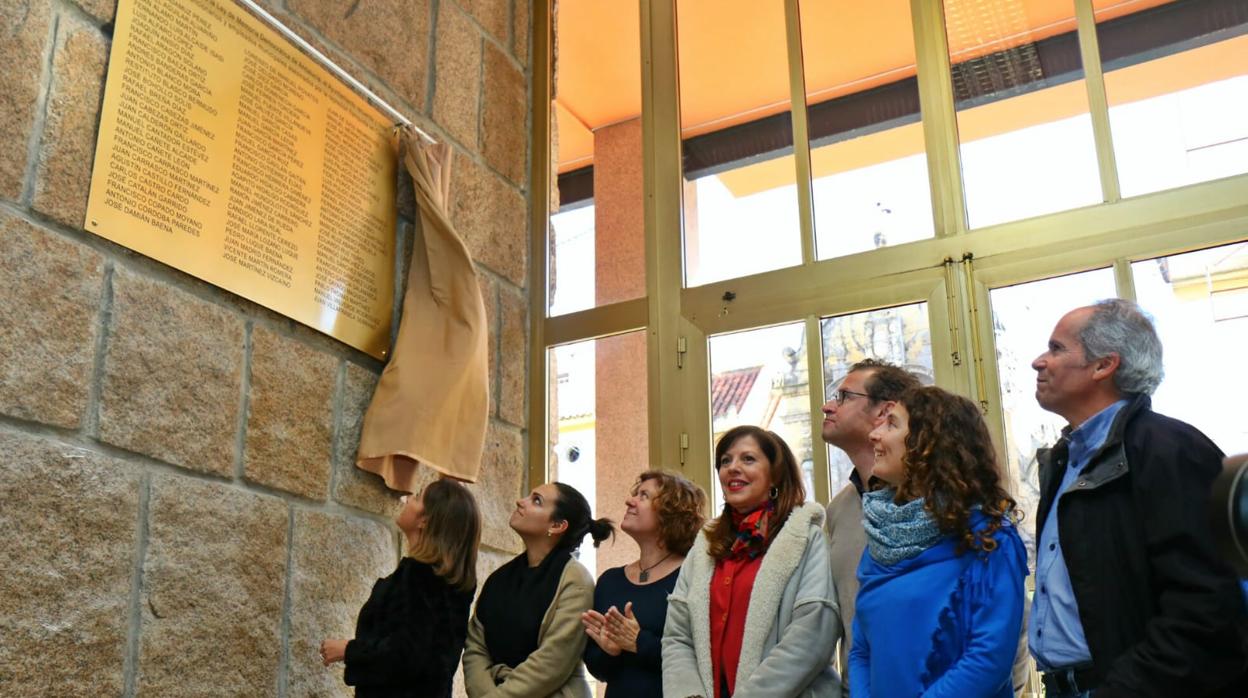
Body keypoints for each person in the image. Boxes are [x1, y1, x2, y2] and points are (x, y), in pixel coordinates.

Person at [1027, 299, 1248, 697]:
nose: (1039, 362)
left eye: (1057, 348)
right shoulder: (1064, 462)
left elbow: (1206, 609)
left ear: (1103, 365)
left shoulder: (1171, 451)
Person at [850, 386, 1027, 697]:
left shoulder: (989, 538)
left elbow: (988, 659)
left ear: (931, 443)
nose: (874, 435)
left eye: (892, 424)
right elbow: (862, 652)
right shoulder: (883, 538)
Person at [663, 425, 841, 698]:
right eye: (725, 461)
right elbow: (677, 636)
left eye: (748, 459)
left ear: (775, 476)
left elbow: (813, 634)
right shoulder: (705, 545)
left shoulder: (806, 537)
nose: (733, 467)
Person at [318, 478, 481, 697]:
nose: (408, 499)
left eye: (417, 497)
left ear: (425, 520)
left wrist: (347, 649)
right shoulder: (451, 583)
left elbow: (405, 654)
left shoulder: (419, 576)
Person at [463, 482, 613, 698]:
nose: (520, 501)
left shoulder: (575, 581)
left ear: (557, 525)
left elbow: (553, 662)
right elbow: (475, 646)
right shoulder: (500, 577)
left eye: (536, 500)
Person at [820, 359, 920, 675]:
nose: (827, 406)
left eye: (844, 397)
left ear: (884, 411)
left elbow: (1005, 621)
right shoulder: (838, 509)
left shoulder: (933, 501)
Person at [581, 470, 706, 696]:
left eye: (643, 496)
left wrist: (640, 642)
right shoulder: (610, 581)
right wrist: (610, 651)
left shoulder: (694, 575)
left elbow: (704, 660)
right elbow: (598, 669)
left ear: (671, 512)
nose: (630, 500)